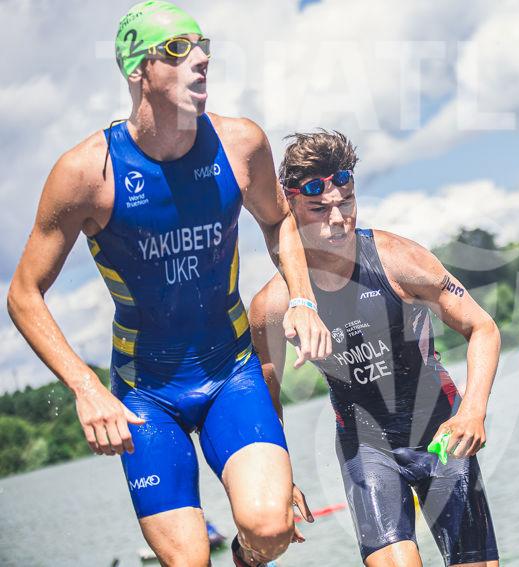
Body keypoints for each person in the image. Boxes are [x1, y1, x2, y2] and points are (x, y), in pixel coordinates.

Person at [6, 3, 330, 566]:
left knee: (271, 528)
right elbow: (23, 293)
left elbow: (279, 220)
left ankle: (245, 556)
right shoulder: (87, 173)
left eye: (203, 46)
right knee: (188, 560)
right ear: (138, 70)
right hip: (145, 394)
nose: (200, 59)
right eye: (178, 50)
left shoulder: (239, 144)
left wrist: (301, 296)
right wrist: (86, 388)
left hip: (232, 370)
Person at [249, 130, 500, 567]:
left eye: (346, 202)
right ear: (289, 207)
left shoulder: (400, 260)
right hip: (366, 448)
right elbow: (265, 389)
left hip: (440, 432)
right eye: (319, 208)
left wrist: (473, 411)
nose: (338, 219)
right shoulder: (273, 304)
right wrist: (278, 475)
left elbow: (482, 327)